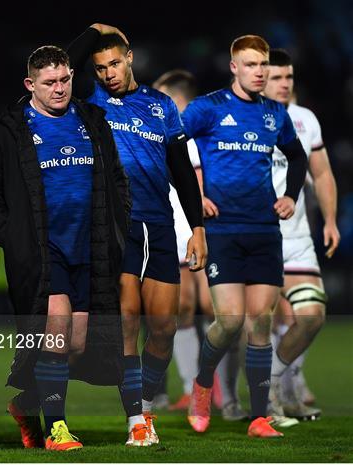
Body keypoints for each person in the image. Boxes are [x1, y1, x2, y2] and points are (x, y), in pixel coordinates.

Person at [0, 45, 131, 451]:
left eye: (64, 80)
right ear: (30, 85)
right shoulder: (7, 130)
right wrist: (15, 237)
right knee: (55, 332)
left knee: (75, 345)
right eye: (49, 83)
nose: (59, 89)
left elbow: (116, 180)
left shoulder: (92, 121)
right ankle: (56, 429)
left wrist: (119, 224)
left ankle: (26, 403)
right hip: (43, 253)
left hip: (89, 249)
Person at [68, 25, 207, 446]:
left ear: (130, 57)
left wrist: (198, 229)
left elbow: (182, 173)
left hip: (160, 226)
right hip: (116, 227)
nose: (108, 73)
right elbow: (66, 62)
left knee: (163, 327)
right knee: (127, 321)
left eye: (114, 62)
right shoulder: (91, 103)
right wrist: (96, 30)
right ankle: (135, 421)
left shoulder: (162, 106)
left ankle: (146, 404)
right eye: (100, 67)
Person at [181, 35, 308, 438]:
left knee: (260, 323)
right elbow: (172, 147)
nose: (260, 72)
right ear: (234, 67)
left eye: (263, 65)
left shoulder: (274, 113)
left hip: (264, 231)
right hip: (223, 230)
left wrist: (289, 195)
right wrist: (196, 194)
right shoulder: (209, 108)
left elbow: (299, 156)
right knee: (229, 322)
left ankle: (258, 418)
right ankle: (203, 385)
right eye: (251, 65)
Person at [262, 48, 340, 422]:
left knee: (310, 316)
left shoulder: (305, 120)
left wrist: (330, 220)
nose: (284, 84)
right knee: (250, 323)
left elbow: (322, 174)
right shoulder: (243, 116)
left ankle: (276, 386)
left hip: (297, 239)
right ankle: (250, 398)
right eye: (276, 77)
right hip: (256, 236)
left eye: (288, 77)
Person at [152, 70, 229, 415]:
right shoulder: (162, 133)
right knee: (181, 308)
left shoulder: (196, 135)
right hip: (173, 231)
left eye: (160, 96)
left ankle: (219, 389)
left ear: (176, 99)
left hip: (200, 230)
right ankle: (189, 387)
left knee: (215, 310)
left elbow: (201, 180)